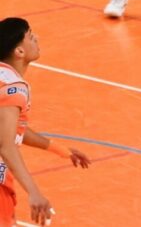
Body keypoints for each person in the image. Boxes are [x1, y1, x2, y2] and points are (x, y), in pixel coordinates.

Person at [0, 18, 90, 227]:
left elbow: (12, 129)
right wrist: (34, 192)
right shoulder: (13, 87)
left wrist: (59, 149)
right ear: (19, 51)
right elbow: (6, 144)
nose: (37, 38)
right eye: (31, 37)